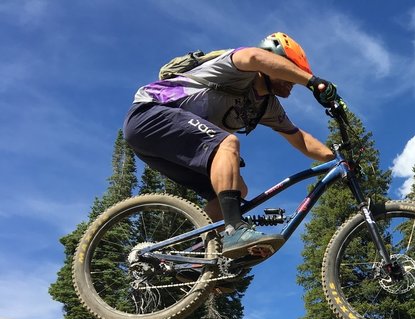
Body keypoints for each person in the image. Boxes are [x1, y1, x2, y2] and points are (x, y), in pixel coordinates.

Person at [123, 32, 339, 259]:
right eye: (289, 69)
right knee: (227, 143)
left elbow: (299, 139)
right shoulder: (236, 67)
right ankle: (234, 229)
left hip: (163, 143)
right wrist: (312, 81)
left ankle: (196, 257)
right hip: (149, 115)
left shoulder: (267, 106)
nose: (294, 80)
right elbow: (254, 57)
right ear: (272, 60)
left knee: (237, 189)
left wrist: (336, 158)